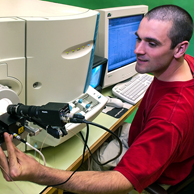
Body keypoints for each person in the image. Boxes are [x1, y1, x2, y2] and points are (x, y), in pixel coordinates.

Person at [1, 4, 194, 194]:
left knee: (73, 165)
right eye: (138, 39)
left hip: (155, 176)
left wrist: (40, 173)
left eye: (152, 44)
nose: (138, 50)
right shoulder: (187, 65)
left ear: (179, 49)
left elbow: (122, 181)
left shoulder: (170, 118)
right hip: (144, 139)